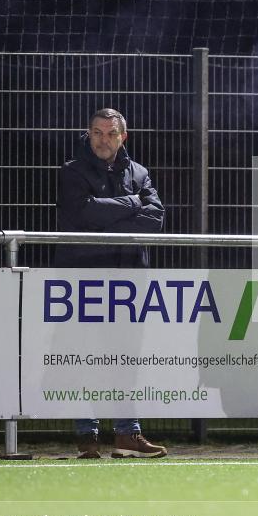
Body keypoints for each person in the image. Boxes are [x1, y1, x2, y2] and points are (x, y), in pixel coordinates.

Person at [55, 108, 167, 459]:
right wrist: (131, 205)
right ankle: (87, 436)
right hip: (83, 280)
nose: (103, 140)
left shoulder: (140, 172)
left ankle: (126, 435)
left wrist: (106, 224)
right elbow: (83, 214)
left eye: (111, 133)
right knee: (84, 358)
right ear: (88, 134)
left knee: (126, 359)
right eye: (97, 133)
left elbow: (156, 218)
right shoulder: (72, 172)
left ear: (123, 137)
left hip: (129, 279)